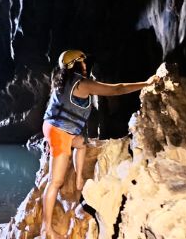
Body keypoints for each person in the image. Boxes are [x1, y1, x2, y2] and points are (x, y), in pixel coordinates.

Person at [40, 50, 156, 239]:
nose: (86, 65)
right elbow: (117, 89)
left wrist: (48, 134)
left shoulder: (61, 80)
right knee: (56, 182)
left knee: (81, 144)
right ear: (77, 64)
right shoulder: (82, 84)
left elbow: (54, 106)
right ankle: (47, 229)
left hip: (54, 127)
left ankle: (79, 180)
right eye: (83, 62)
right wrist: (147, 83)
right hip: (60, 133)